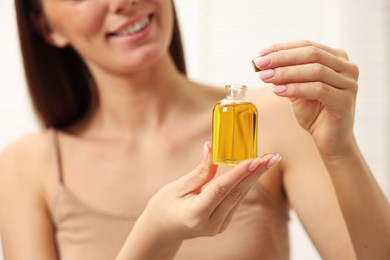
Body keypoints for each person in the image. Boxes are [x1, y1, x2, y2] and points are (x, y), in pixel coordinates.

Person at [0, 0, 389, 259]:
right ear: (46, 27)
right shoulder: (25, 167)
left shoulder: (280, 115)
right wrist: (154, 238)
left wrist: (340, 152)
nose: (121, 1)